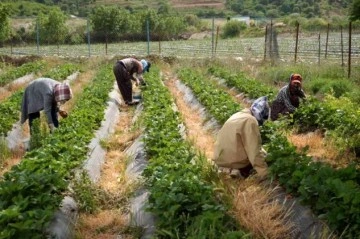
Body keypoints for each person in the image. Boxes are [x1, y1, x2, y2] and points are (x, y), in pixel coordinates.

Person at [213, 96, 270, 179]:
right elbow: (254, 151)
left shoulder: (239, 114)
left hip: (219, 158)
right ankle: (238, 174)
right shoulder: (251, 121)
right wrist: (264, 172)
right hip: (232, 162)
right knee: (259, 159)